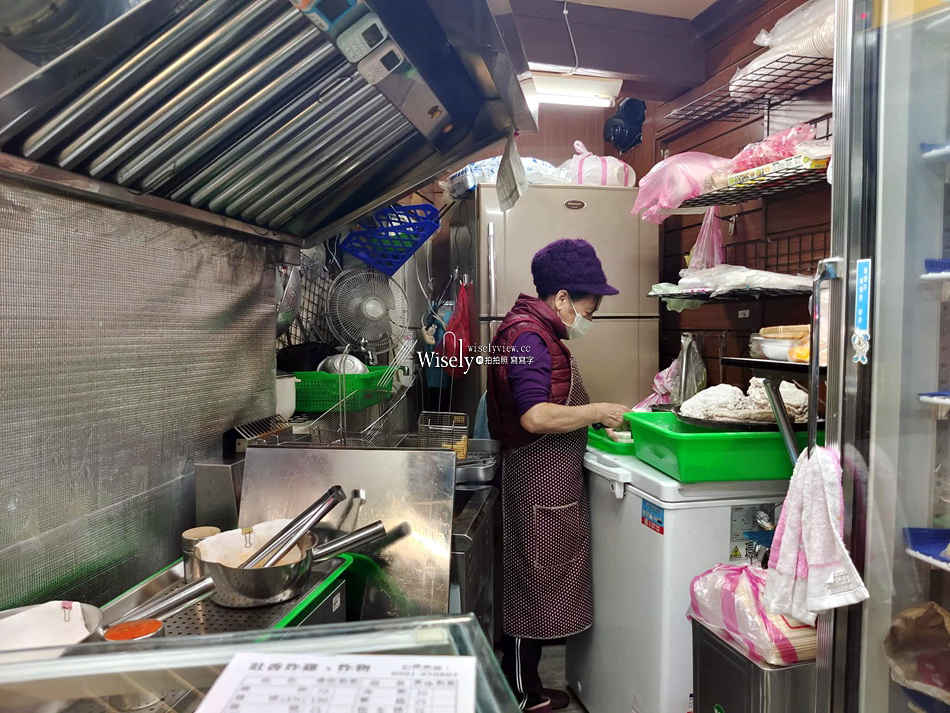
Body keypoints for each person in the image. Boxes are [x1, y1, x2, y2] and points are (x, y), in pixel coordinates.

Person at [487, 239, 629, 712]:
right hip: (538, 480)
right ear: (563, 298)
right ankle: (527, 696)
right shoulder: (530, 337)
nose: (591, 317)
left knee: (532, 580)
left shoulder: (530, 331)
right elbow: (535, 417)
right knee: (536, 585)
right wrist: (597, 411)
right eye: (590, 306)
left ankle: (516, 682)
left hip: (542, 480)